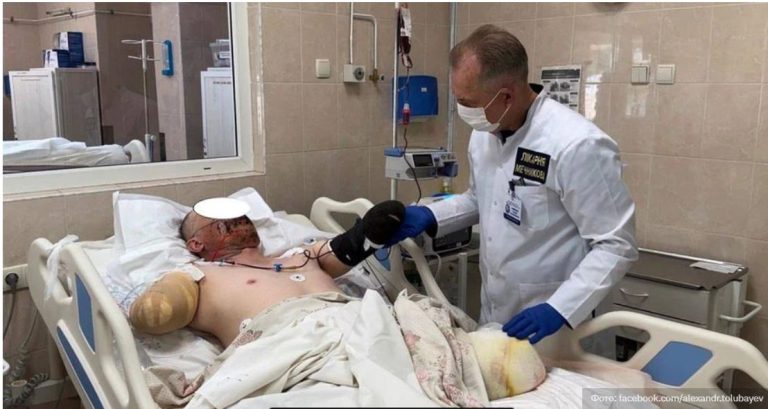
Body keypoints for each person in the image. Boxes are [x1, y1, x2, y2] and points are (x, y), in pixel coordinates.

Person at [389, 24, 638, 346]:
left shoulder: (576, 144)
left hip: (559, 324)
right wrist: (431, 215)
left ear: (506, 96)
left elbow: (616, 245)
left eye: (468, 102)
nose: (463, 111)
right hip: (498, 312)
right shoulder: (485, 134)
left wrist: (560, 309)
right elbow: (481, 199)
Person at [129, 200, 405, 346]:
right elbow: (153, 316)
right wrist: (170, 287)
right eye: (217, 216)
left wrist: (386, 223)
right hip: (292, 350)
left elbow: (355, 243)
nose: (234, 217)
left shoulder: (300, 255)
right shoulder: (198, 276)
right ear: (195, 244)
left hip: (364, 330)